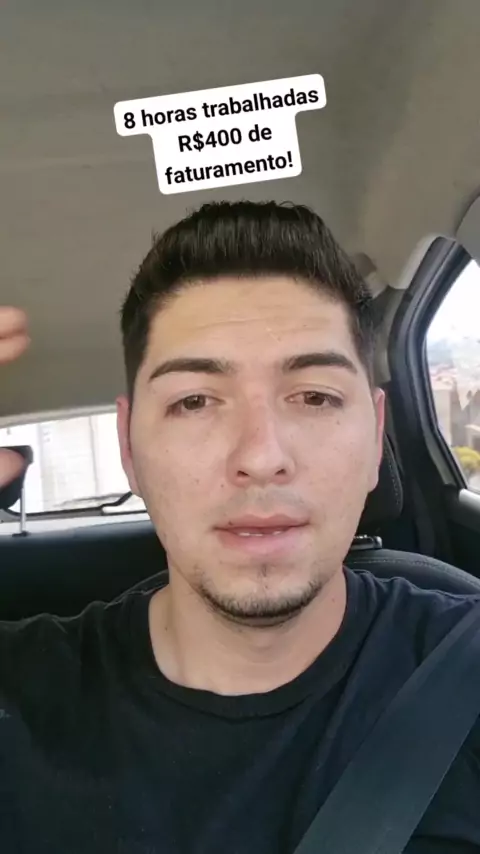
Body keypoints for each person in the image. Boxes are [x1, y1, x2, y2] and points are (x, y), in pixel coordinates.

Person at [0, 201, 479, 853]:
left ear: (375, 439)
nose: (260, 456)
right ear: (129, 447)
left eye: (315, 396)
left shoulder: (466, 674)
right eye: (195, 401)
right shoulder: (20, 694)